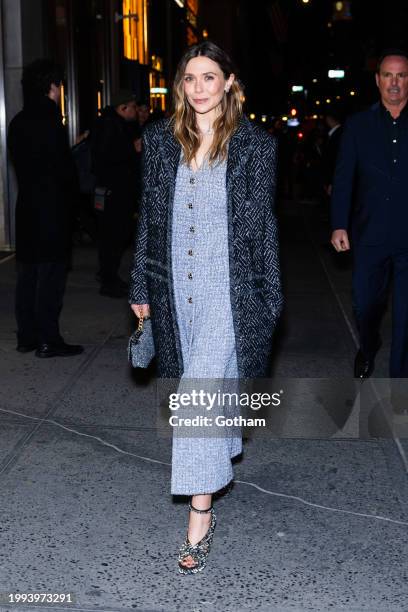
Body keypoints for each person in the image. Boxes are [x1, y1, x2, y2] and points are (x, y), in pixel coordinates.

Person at [129, 41, 282, 574]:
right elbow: (148, 218)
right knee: (203, 390)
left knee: (196, 397)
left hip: (225, 291)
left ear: (229, 84)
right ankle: (220, 446)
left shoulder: (255, 146)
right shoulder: (158, 139)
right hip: (175, 288)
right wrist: (140, 288)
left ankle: (199, 518)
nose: (198, 88)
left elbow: (263, 228)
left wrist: (268, 298)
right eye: (190, 78)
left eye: (209, 77)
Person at [331, 49, 408, 394]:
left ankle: (399, 384)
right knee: (365, 304)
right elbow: (344, 178)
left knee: (406, 316)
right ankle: (368, 343)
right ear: (378, 81)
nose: (395, 82)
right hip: (369, 233)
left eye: (402, 75)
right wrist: (339, 224)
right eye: (388, 75)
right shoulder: (359, 125)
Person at [8, 59, 83, 358]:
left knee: (27, 276)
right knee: (51, 278)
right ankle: (48, 339)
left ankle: (27, 336)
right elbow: (62, 172)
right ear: (51, 87)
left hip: (26, 208)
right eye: (59, 85)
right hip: (51, 210)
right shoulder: (51, 122)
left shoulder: (17, 122)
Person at [91, 90, 140, 298]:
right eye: (133, 107)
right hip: (114, 192)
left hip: (114, 190)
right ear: (123, 108)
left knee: (114, 236)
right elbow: (107, 156)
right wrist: (133, 149)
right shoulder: (111, 125)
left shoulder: (113, 124)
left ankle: (109, 277)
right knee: (113, 236)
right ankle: (108, 279)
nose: (136, 111)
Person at [323, 109, 343, 196]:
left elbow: (334, 160)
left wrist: (331, 182)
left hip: (336, 180)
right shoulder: (343, 132)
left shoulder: (337, 136)